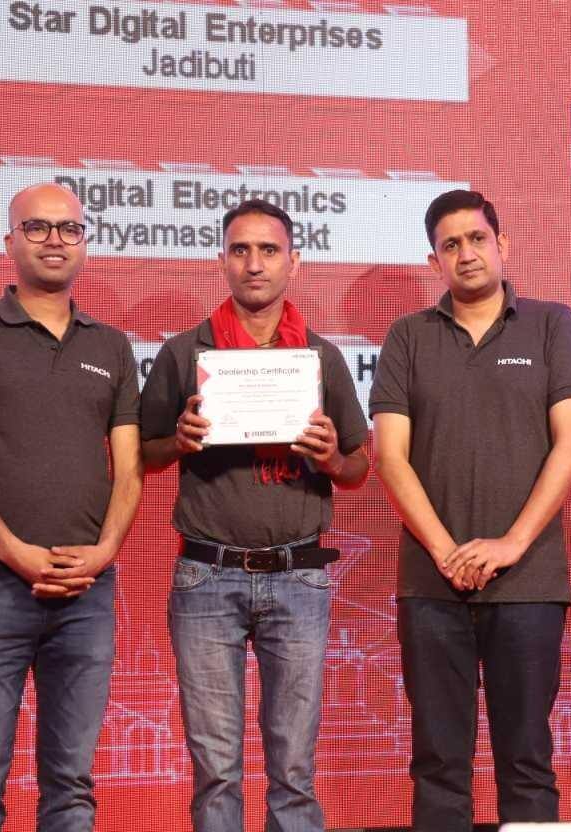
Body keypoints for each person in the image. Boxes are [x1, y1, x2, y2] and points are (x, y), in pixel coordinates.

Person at [0, 182, 142, 831]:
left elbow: (129, 469)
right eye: (36, 227)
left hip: (86, 592)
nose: (54, 240)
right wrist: (11, 550)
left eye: (69, 228)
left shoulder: (111, 346)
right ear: (9, 242)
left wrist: (104, 553)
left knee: (71, 788)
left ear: (85, 243)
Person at [139, 199, 369, 832]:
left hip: (299, 575)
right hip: (206, 577)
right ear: (222, 261)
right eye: (240, 250)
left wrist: (330, 457)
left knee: (294, 769)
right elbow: (141, 453)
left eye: (269, 250)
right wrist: (177, 441)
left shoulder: (320, 357)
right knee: (216, 770)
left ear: (294, 262)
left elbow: (357, 466)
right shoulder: (185, 352)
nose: (255, 263)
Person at [369, 189, 571, 830]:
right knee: (439, 764)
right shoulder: (408, 336)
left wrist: (511, 544)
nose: (466, 254)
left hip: (528, 582)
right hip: (431, 584)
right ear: (434, 261)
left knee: (526, 762)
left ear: (503, 245)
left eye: (477, 239)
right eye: (450, 245)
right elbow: (389, 457)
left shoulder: (551, 324)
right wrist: (446, 552)